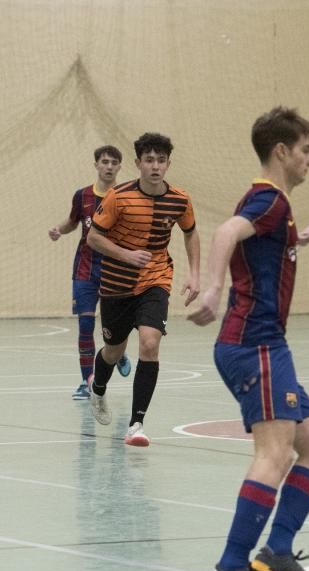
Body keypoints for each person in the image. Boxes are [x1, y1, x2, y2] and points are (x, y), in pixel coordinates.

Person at [188, 106, 309, 571]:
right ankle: (231, 566)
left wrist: (299, 239)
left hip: (266, 346)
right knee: (273, 452)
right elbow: (227, 232)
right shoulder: (268, 199)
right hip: (256, 344)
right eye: (306, 150)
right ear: (282, 151)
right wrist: (212, 289)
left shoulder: (276, 209)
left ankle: (276, 553)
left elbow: (261, 249)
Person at [86, 133, 201, 446]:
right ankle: (97, 390)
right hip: (116, 286)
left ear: (167, 164)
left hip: (156, 280)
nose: (155, 166)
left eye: (161, 160)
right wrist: (126, 255)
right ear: (138, 164)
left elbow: (191, 233)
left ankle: (136, 424)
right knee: (114, 351)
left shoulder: (180, 199)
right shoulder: (118, 197)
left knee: (150, 344)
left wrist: (195, 274)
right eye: (149, 160)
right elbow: (93, 238)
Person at [48, 146, 132, 398]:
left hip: (114, 269)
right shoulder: (82, 196)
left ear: (119, 167)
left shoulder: (125, 196)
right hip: (85, 269)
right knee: (85, 325)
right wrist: (58, 230)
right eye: (104, 162)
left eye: (114, 162)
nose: (109, 166)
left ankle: (115, 352)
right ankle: (88, 382)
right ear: (96, 165)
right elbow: (72, 222)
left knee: (113, 326)